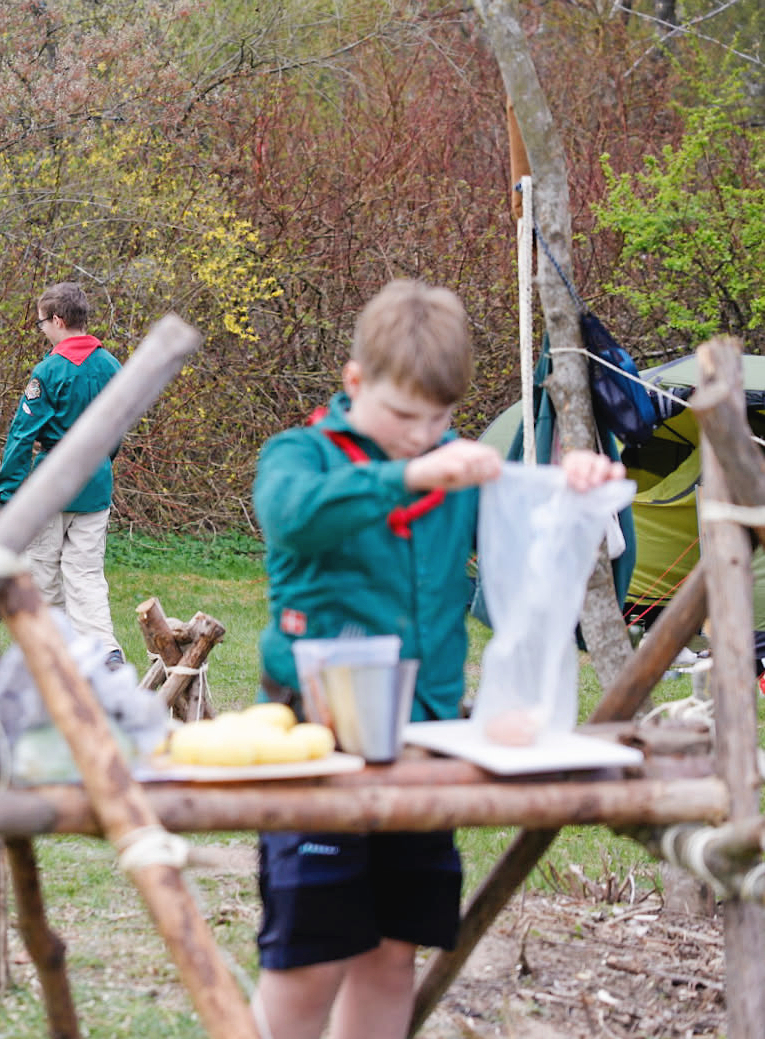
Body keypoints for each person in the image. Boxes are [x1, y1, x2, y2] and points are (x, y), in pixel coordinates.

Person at [250, 279, 625, 1039]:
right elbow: (288, 516)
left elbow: (536, 514)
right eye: (401, 416)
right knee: (311, 953)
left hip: (427, 732)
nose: (421, 437)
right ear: (356, 383)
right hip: (317, 733)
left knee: (392, 951)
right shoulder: (303, 453)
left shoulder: (461, 463)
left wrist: (574, 484)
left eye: (439, 419)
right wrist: (408, 476)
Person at [0, 281, 125, 667]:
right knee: (86, 573)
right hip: (96, 487)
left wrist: (6, 493)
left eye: (41, 323)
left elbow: (22, 436)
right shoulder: (112, 367)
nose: (42, 330)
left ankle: (55, 650)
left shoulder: (48, 371)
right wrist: (100, 463)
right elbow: (117, 430)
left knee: (44, 570)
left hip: (51, 488)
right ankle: (104, 650)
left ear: (59, 320)